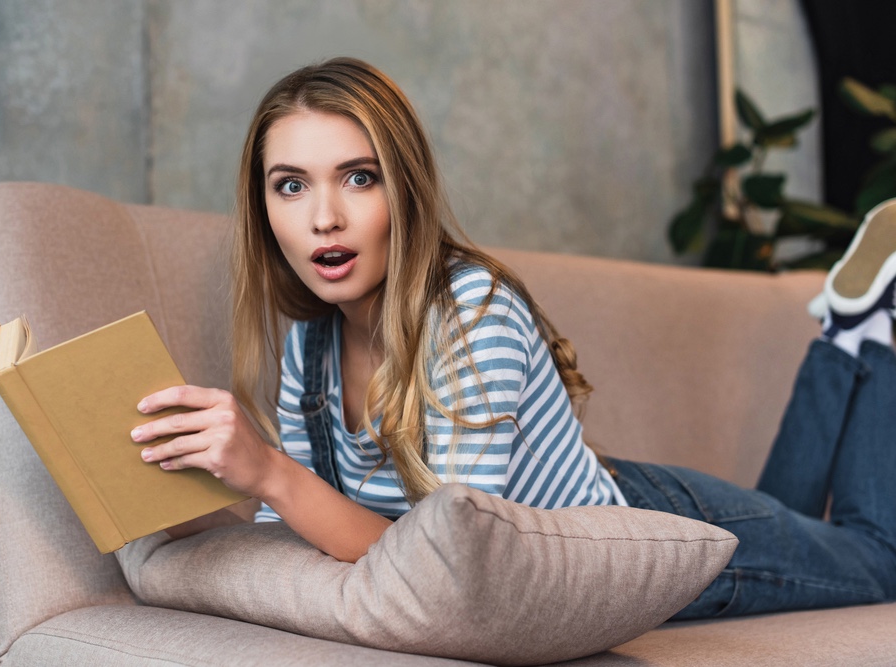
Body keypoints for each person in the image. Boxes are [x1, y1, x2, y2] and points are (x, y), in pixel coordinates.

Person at [129, 57, 896, 618]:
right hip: (595, 511)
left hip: (640, 541)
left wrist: (269, 473)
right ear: (263, 206)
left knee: (875, 557)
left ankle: (874, 332)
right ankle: (841, 335)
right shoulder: (310, 348)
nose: (322, 216)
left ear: (405, 188)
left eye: (357, 177)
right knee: (792, 519)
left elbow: (461, 561)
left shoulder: (469, 310)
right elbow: (298, 539)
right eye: (290, 184)